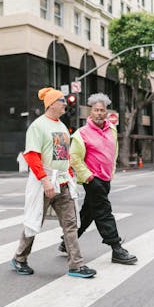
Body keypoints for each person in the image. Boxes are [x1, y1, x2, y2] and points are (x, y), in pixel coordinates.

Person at [10, 87, 96, 278]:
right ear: (51, 104)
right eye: (61, 101)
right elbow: (32, 155)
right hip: (45, 183)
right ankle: (19, 258)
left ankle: (76, 265)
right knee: (34, 222)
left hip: (63, 182)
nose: (65, 103)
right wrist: (45, 180)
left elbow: (64, 154)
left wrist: (71, 172)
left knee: (71, 224)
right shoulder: (38, 126)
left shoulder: (62, 126)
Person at [59, 93, 137, 265]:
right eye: (96, 110)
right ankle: (116, 248)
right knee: (103, 211)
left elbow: (113, 151)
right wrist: (89, 177)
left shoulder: (112, 129)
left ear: (106, 112)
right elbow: (74, 158)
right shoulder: (82, 134)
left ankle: (67, 241)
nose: (99, 113)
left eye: (102, 110)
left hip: (106, 178)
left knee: (89, 212)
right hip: (92, 180)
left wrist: (111, 171)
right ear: (91, 112)